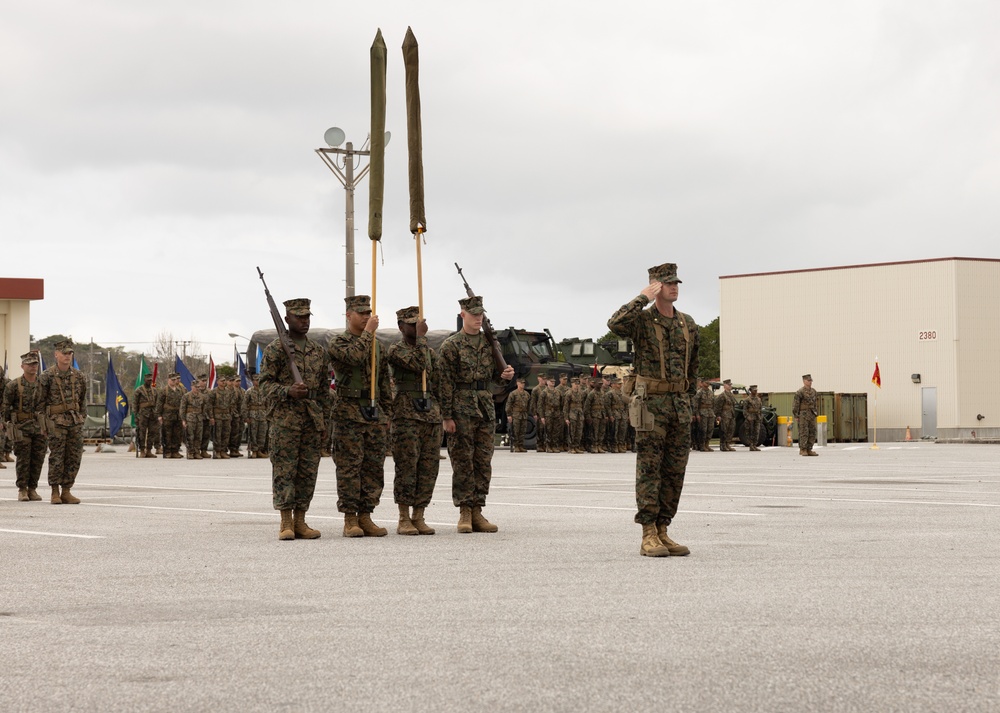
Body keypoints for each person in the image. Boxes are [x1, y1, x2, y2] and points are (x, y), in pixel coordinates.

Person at [608, 262, 698, 557]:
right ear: (656, 286)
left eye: (676, 283)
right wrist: (642, 298)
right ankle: (648, 532)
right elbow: (614, 324)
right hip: (652, 406)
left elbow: (692, 366)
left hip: (679, 406)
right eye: (668, 283)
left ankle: (663, 529)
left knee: (675, 471)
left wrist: (689, 399)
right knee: (650, 469)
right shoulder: (643, 321)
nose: (674, 287)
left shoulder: (688, 323)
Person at [439, 295, 515, 533]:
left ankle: (478, 510)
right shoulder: (451, 345)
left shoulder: (490, 344)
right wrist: (447, 416)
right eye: (473, 315)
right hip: (460, 407)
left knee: (483, 461)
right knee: (462, 460)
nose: (478, 319)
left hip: (484, 406)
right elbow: (444, 383)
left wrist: (505, 375)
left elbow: (492, 377)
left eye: (480, 315)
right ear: (463, 315)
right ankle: (464, 511)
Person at [258, 297, 332, 540]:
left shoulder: (318, 351)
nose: (304, 321)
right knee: (285, 471)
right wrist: (286, 391)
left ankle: (301, 520)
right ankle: (286, 522)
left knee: (307, 471)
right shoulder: (276, 349)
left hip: (311, 419)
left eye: (307, 317)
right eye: (299, 317)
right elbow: (264, 385)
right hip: (285, 420)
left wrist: (323, 422)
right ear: (287, 319)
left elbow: (322, 391)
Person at [328, 295, 392, 538]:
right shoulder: (339, 341)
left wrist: (387, 414)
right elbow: (353, 357)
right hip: (349, 411)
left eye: (368, 312)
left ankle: (366, 515)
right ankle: (350, 518)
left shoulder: (378, 346)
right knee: (349, 467)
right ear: (348, 315)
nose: (366, 316)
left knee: (373, 466)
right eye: (361, 313)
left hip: (373, 411)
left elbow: (384, 381)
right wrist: (368, 333)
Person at [387, 306, 442, 535]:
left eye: (418, 323)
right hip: (406, 413)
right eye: (411, 324)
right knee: (407, 466)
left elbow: (439, 379)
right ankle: (403, 517)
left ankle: (419, 514)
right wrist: (421, 339)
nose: (416, 327)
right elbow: (417, 364)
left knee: (428, 467)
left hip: (429, 413)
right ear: (401, 326)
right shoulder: (395, 350)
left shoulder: (429, 351)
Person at [38, 339, 88, 505]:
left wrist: (82, 419)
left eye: (70, 353)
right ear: (56, 354)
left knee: (74, 457)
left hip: (74, 422)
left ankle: (67, 490)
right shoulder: (47, 376)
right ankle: (54, 491)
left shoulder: (79, 376)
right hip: (56, 423)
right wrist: (43, 425)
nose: (67, 356)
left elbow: (82, 401)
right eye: (64, 353)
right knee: (57, 457)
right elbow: (39, 403)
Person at [2, 352, 46, 501]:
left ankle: (32, 488)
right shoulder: (14, 385)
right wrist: (6, 425)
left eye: (35, 364)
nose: (33, 367)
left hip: (40, 427)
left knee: (38, 459)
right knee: (23, 459)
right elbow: (5, 407)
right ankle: (22, 489)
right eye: (29, 364)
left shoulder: (43, 384)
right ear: (22, 366)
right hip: (21, 428)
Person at [156, 372, 186, 459]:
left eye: (175, 380)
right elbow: (159, 403)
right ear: (168, 380)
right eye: (172, 380)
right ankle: (167, 451)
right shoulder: (164, 390)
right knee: (167, 434)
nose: (174, 381)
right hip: (167, 415)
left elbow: (183, 403)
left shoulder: (180, 390)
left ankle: (175, 451)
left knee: (177, 434)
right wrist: (159, 415)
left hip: (177, 415)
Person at [180, 377, 207, 459]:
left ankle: (197, 452)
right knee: (190, 436)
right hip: (190, 418)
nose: (197, 389)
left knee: (198, 436)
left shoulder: (202, 397)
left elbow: (204, 408)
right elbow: (182, 408)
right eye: (196, 387)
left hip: (199, 418)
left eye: (198, 387)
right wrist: (183, 420)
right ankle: (190, 452)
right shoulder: (186, 396)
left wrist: (203, 416)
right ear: (192, 387)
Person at [133, 372, 159, 458]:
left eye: (151, 380)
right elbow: (135, 403)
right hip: (143, 414)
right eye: (148, 380)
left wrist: (157, 413)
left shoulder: (154, 390)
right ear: (144, 380)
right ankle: (142, 450)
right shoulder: (139, 390)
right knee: (142, 433)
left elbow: (157, 402)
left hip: (152, 414)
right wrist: (136, 415)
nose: (149, 382)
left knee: (152, 432)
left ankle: (149, 450)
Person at [793, 374, 819, 456]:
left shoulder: (813, 391)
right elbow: (796, 404)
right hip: (803, 414)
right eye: (808, 381)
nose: (810, 382)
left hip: (811, 414)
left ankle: (809, 449)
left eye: (811, 380)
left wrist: (815, 412)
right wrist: (796, 415)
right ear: (804, 381)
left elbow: (815, 403)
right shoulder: (800, 392)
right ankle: (803, 449)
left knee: (812, 431)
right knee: (804, 432)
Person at [245, 373, 270, 458]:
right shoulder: (249, 391)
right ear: (253, 381)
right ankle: (254, 451)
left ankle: (259, 450)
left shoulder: (264, 391)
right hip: (253, 414)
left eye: (259, 380)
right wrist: (246, 417)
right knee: (253, 433)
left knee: (262, 433)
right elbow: (244, 405)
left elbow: (268, 403)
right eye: (256, 380)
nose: (258, 382)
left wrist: (268, 414)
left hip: (263, 414)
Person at [505, 378, 531, 453]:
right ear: (517, 383)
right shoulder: (513, 393)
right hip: (516, 414)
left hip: (524, 415)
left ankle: (521, 445)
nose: (523, 384)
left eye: (523, 383)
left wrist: (527, 412)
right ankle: (516, 446)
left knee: (523, 431)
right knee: (516, 430)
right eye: (521, 383)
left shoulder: (526, 394)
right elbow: (509, 404)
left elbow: (528, 404)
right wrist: (509, 415)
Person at [563, 377, 587, 453]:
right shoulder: (568, 393)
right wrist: (566, 418)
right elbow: (566, 407)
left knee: (579, 431)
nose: (576, 386)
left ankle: (577, 446)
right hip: (572, 414)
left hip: (579, 414)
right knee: (572, 431)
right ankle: (571, 447)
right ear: (572, 384)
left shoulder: (581, 393)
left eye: (578, 384)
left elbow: (583, 404)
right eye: (575, 384)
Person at [692, 378, 716, 452]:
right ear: (702, 383)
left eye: (708, 382)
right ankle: (702, 445)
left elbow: (713, 403)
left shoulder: (711, 392)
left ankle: (707, 444)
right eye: (706, 382)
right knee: (703, 430)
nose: (708, 384)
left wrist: (714, 413)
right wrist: (697, 414)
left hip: (710, 412)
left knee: (710, 429)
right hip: (702, 412)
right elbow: (695, 404)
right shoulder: (699, 392)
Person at [584, 377, 607, 453]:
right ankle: (594, 446)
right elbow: (587, 406)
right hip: (594, 415)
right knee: (594, 432)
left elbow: (605, 405)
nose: (600, 385)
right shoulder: (591, 394)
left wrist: (606, 415)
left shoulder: (603, 393)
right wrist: (588, 417)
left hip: (602, 415)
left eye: (601, 384)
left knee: (602, 431)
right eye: (599, 384)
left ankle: (599, 445)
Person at [714, 379, 737, 452]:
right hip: (724, 415)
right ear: (724, 386)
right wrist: (718, 416)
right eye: (728, 385)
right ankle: (723, 445)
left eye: (730, 385)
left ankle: (727, 443)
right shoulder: (722, 396)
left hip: (731, 414)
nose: (730, 386)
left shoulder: (731, 395)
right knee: (723, 430)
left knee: (731, 429)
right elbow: (718, 407)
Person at [529, 372, 548, 452]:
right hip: (539, 412)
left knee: (546, 429)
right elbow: (533, 402)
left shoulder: (547, 388)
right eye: (542, 379)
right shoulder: (536, 389)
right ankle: (539, 445)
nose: (544, 381)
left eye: (545, 379)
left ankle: (545, 444)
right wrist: (534, 413)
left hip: (547, 412)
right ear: (538, 379)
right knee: (540, 429)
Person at [743, 385, 763, 451]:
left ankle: (755, 444)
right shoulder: (747, 400)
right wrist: (747, 417)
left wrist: (760, 416)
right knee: (750, 431)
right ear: (751, 391)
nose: (755, 391)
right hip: (750, 416)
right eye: (754, 390)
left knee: (756, 431)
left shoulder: (758, 399)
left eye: (756, 390)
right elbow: (744, 410)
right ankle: (751, 445)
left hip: (757, 416)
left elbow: (760, 409)